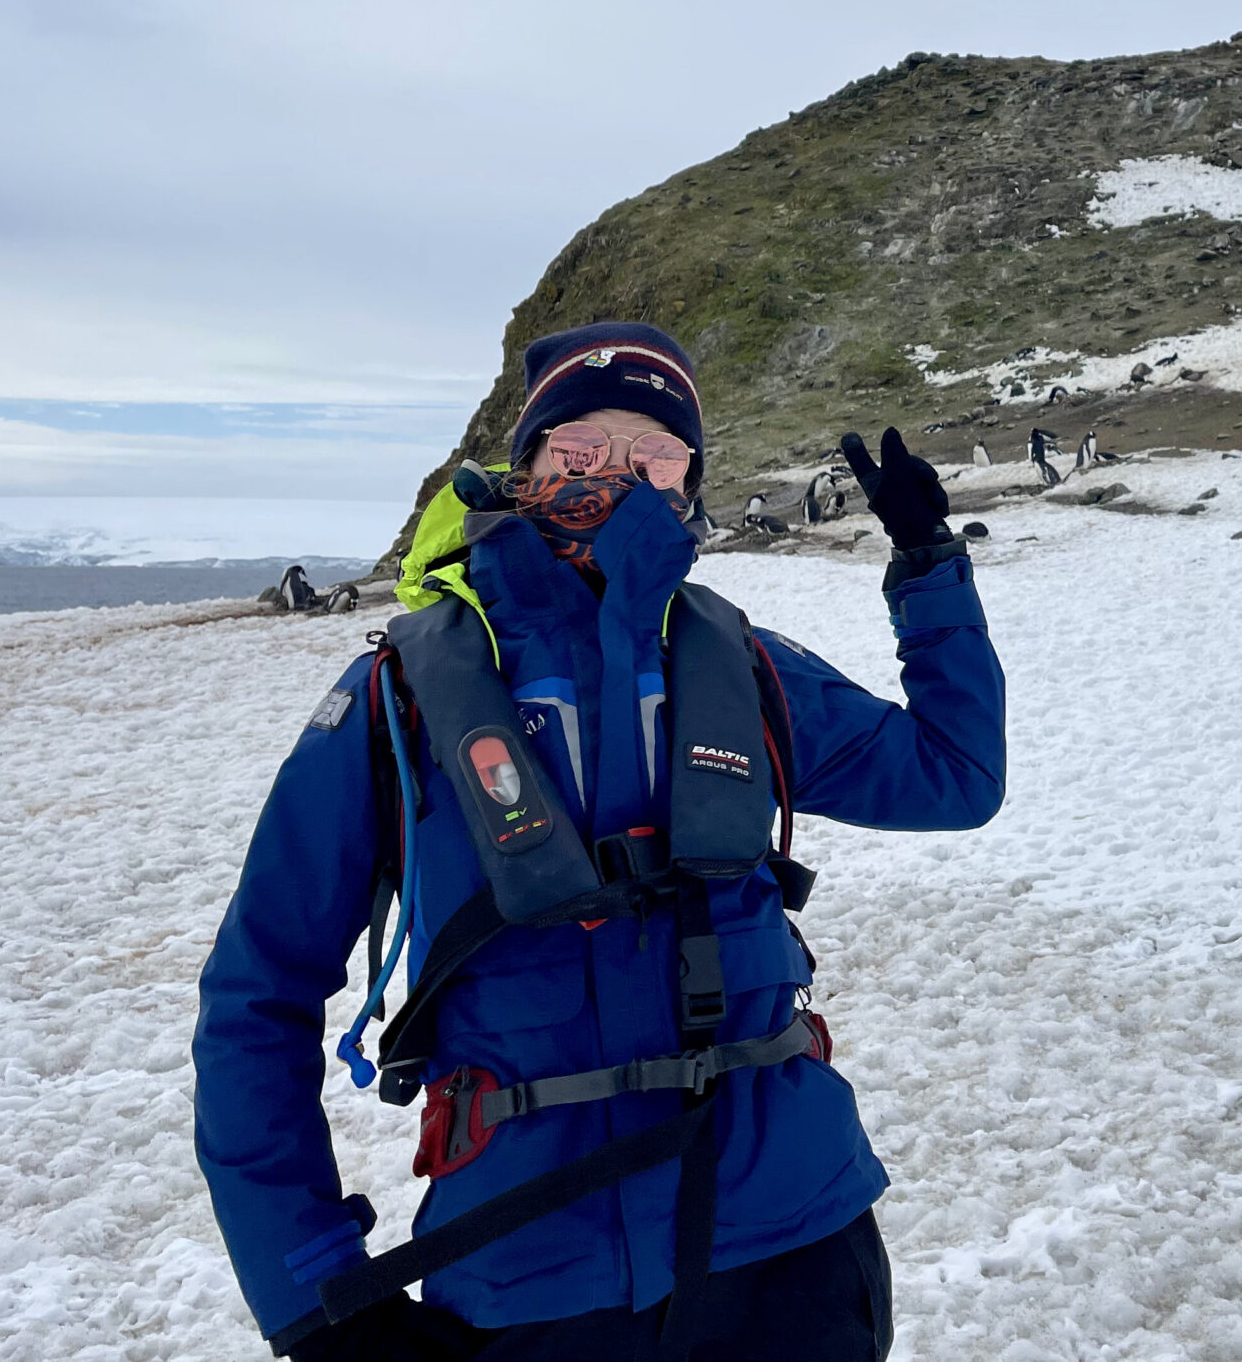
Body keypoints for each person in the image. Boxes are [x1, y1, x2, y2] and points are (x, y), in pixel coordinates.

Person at [194, 323, 1006, 1361]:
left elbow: (955, 778)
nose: (617, 474)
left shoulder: (740, 663)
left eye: (656, 453)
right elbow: (256, 996)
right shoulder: (401, 695)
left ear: (691, 485)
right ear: (522, 465)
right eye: (579, 448)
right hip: (533, 1271)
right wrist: (311, 1297)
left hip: (795, 1238)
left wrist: (930, 567)